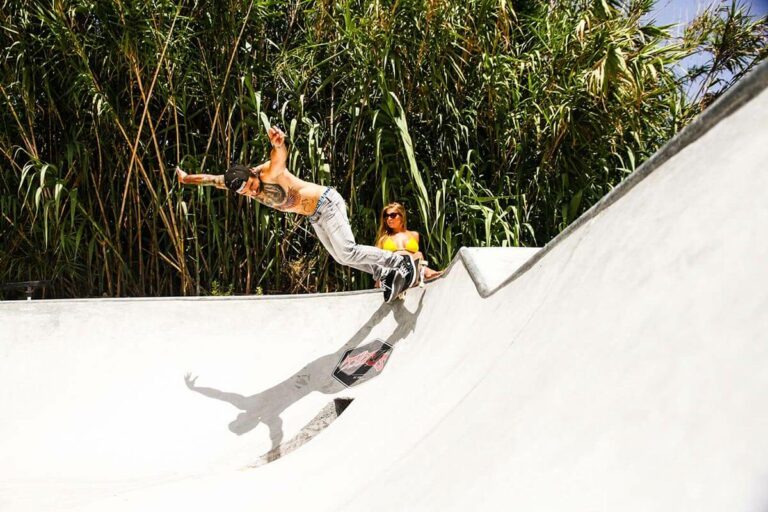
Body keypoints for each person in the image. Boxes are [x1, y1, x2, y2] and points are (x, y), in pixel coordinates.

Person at [175, 126, 416, 301]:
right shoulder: (236, 183)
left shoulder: (269, 173)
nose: (251, 191)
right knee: (342, 258)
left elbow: (279, 157)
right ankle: (384, 272)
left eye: (250, 185)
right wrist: (187, 178)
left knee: (347, 250)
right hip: (315, 216)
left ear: (251, 173)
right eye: (245, 192)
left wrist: (279, 143)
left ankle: (400, 262)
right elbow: (210, 179)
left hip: (327, 203)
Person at [375, 202, 443, 284]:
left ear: (402, 216)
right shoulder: (383, 239)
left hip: (412, 272)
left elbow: (419, 258)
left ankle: (423, 272)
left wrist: (418, 255)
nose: (389, 219)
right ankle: (426, 272)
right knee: (406, 255)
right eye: (386, 216)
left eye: (392, 215)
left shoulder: (414, 235)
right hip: (393, 274)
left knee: (418, 254)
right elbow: (378, 261)